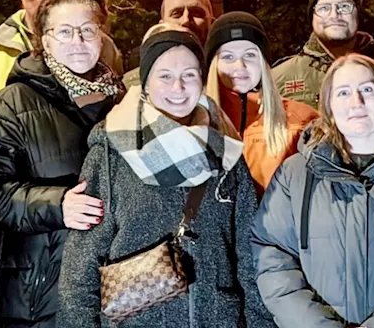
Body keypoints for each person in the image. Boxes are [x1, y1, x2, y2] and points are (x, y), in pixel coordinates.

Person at [57, 29, 271, 328]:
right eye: (165, 76)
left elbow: (249, 255)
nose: (179, 87)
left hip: (217, 318)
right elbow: (81, 265)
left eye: (189, 75)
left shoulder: (226, 152)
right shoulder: (110, 153)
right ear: (145, 84)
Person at [0, 0, 126, 328]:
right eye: (64, 31)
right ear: (44, 39)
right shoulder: (9, 104)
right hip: (37, 293)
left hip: (114, 290)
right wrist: (57, 205)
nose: (78, 42)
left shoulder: (125, 104)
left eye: (88, 30)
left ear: (103, 35)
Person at [252, 54, 374, 327]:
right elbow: (272, 254)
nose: (356, 102)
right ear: (328, 106)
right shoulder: (295, 174)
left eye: (367, 90)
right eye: (343, 92)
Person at [204, 12, 317, 193]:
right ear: (214, 64)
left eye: (250, 55)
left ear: (263, 62)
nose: (239, 65)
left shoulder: (301, 120)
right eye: (228, 57)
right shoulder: (196, 121)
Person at [272, 0, 374, 109]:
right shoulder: (277, 79)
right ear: (312, 17)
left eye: (344, 7)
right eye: (324, 8)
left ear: (357, 14)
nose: (334, 15)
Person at [122, 0, 214, 89]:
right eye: (176, 14)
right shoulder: (130, 86)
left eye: (196, 13)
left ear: (212, 23)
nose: (186, 20)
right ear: (161, 25)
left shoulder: (227, 79)